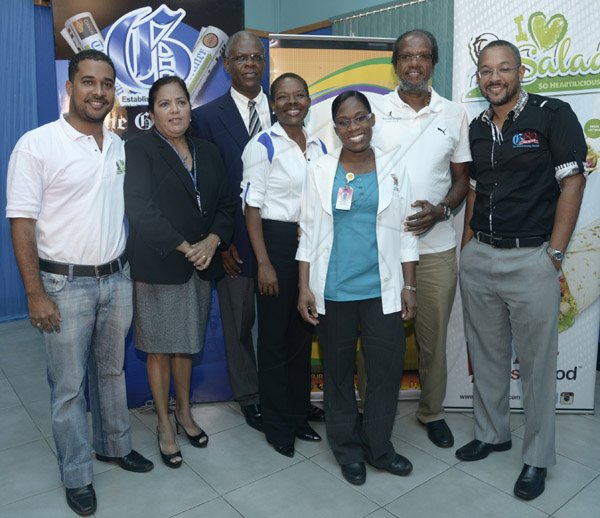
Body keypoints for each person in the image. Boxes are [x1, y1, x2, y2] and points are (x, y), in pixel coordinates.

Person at [6, 49, 153, 516]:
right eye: (88, 82)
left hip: (116, 279)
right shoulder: (37, 144)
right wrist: (35, 293)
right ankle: (76, 473)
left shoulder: (116, 145)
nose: (98, 91)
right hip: (63, 286)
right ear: (69, 88)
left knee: (110, 373)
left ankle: (113, 444)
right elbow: (22, 222)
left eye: (107, 83)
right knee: (68, 386)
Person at [455, 40, 586, 501]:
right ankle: (493, 434)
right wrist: (467, 248)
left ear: (520, 70)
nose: (495, 78)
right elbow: (474, 189)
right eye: (486, 71)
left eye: (504, 68)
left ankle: (537, 458)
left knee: (534, 369)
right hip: (480, 258)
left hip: (533, 259)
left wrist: (554, 254)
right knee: (487, 358)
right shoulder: (475, 126)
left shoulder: (553, 114)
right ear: (478, 77)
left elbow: (572, 181)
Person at [192, 31, 324, 428]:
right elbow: (206, 185)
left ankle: (285, 398)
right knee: (239, 324)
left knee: (287, 323)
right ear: (227, 64)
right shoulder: (206, 117)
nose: (250, 64)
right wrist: (222, 241)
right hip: (234, 241)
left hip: (288, 241)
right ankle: (251, 396)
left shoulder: (286, 107)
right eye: (241, 58)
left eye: (256, 58)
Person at [297, 91, 418, 485]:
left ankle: (379, 446)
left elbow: (407, 231)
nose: (353, 128)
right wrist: (304, 287)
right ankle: (346, 448)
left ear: (372, 120)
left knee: (384, 371)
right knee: (337, 372)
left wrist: (410, 285)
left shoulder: (396, 165)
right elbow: (308, 232)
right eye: (344, 122)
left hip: (383, 288)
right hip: (332, 290)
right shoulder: (318, 169)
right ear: (335, 129)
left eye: (360, 118)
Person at [124, 76, 234, 468]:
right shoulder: (139, 149)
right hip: (160, 265)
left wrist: (213, 241)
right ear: (152, 112)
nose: (175, 111)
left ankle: (185, 413)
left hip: (201, 265)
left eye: (181, 103)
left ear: (190, 107)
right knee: (159, 349)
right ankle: (165, 426)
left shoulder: (207, 150)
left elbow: (226, 203)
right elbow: (139, 209)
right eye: (165, 104)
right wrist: (187, 246)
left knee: (186, 344)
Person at [372, 29, 471, 449]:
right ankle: (370, 412)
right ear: (395, 62)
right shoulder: (373, 110)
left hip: (436, 246)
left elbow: (462, 177)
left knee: (432, 338)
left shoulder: (454, 114)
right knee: (375, 337)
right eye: (406, 56)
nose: (415, 63)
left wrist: (442, 211)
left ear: (434, 63)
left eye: (424, 56)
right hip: (381, 248)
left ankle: (432, 411)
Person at [241, 73, 327, 457]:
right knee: (274, 339)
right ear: (272, 104)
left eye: (299, 95)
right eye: (283, 97)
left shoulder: (321, 145)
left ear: (309, 100)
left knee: (301, 336)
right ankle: (277, 424)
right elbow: (251, 207)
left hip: (310, 245)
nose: (292, 102)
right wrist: (263, 263)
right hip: (274, 246)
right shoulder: (262, 145)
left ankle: (297, 415)